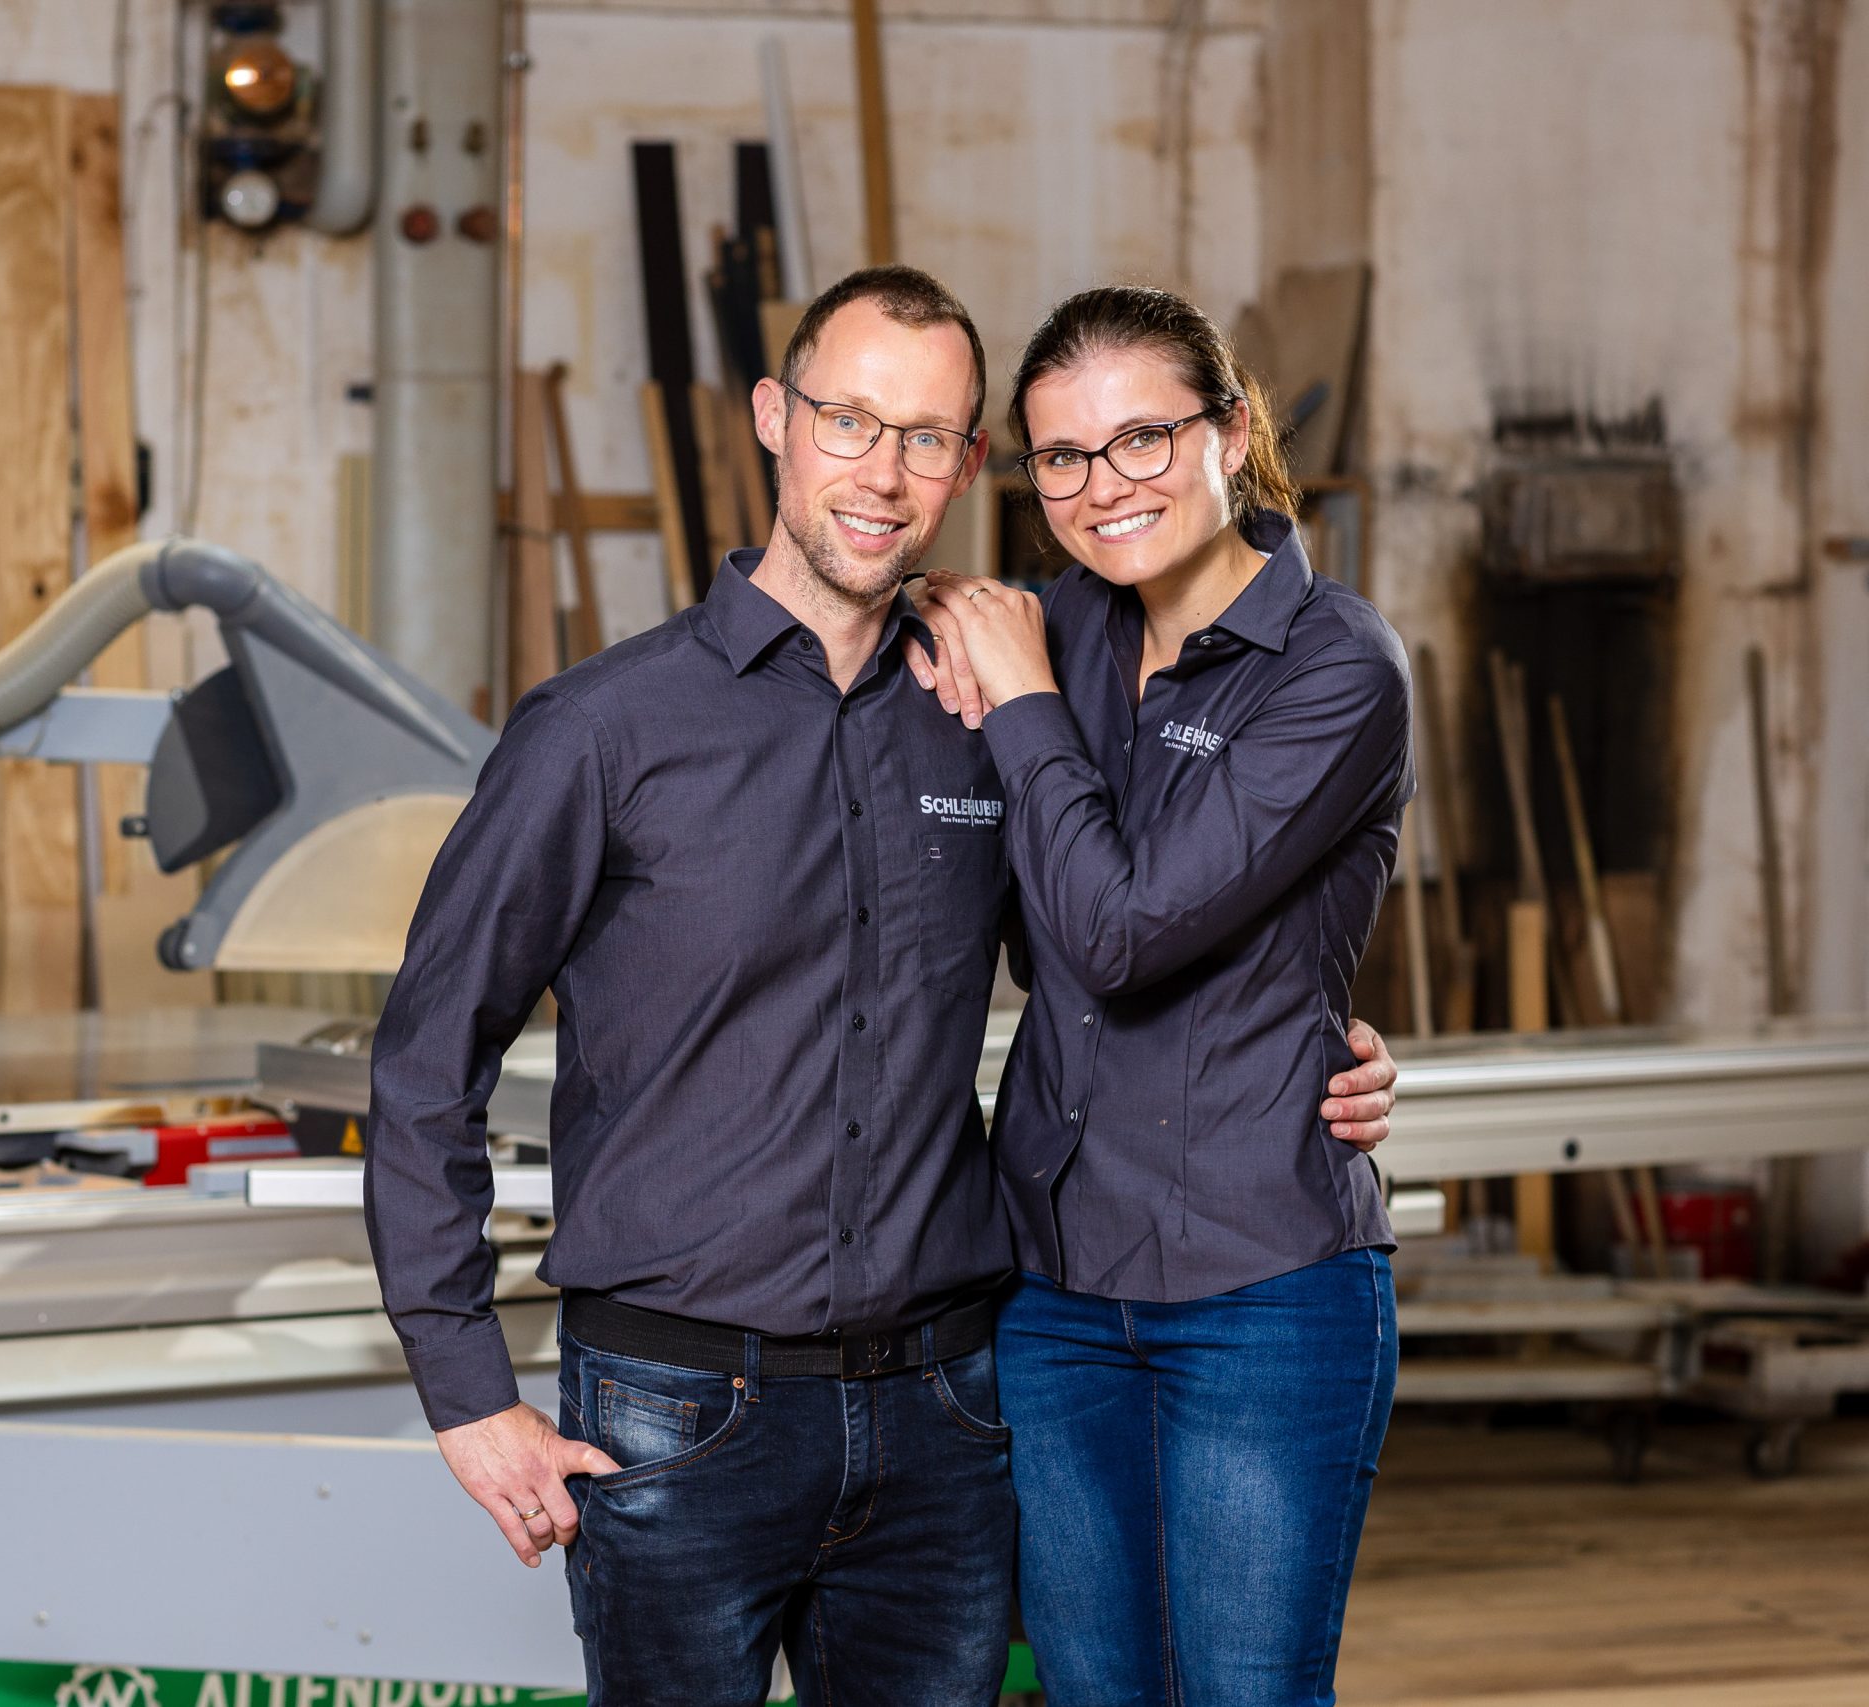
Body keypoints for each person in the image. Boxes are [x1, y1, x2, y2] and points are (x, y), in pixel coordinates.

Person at [365, 266, 1400, 1707]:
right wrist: (467, 1392)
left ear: (970, 466)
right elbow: (425, 1062)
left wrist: (1314, 1033)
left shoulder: (992, 707)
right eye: (853, 421)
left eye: (930, 436)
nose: (885, 471)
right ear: (774, 421)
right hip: (675, 1409)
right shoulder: (602, 731)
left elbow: (1122, 935)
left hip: (948, 1407)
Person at [910, 282, 1414, 1706]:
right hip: (1055, 1286)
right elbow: (1014, 926)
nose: (1100, 486)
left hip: (1260, 1284)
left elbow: (1125, 934)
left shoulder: (1333, 664)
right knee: (1092, 1692)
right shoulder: (1046, 628)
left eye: (1143, 439)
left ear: (1231, 430)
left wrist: (1015, 702)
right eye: (1060, 456)